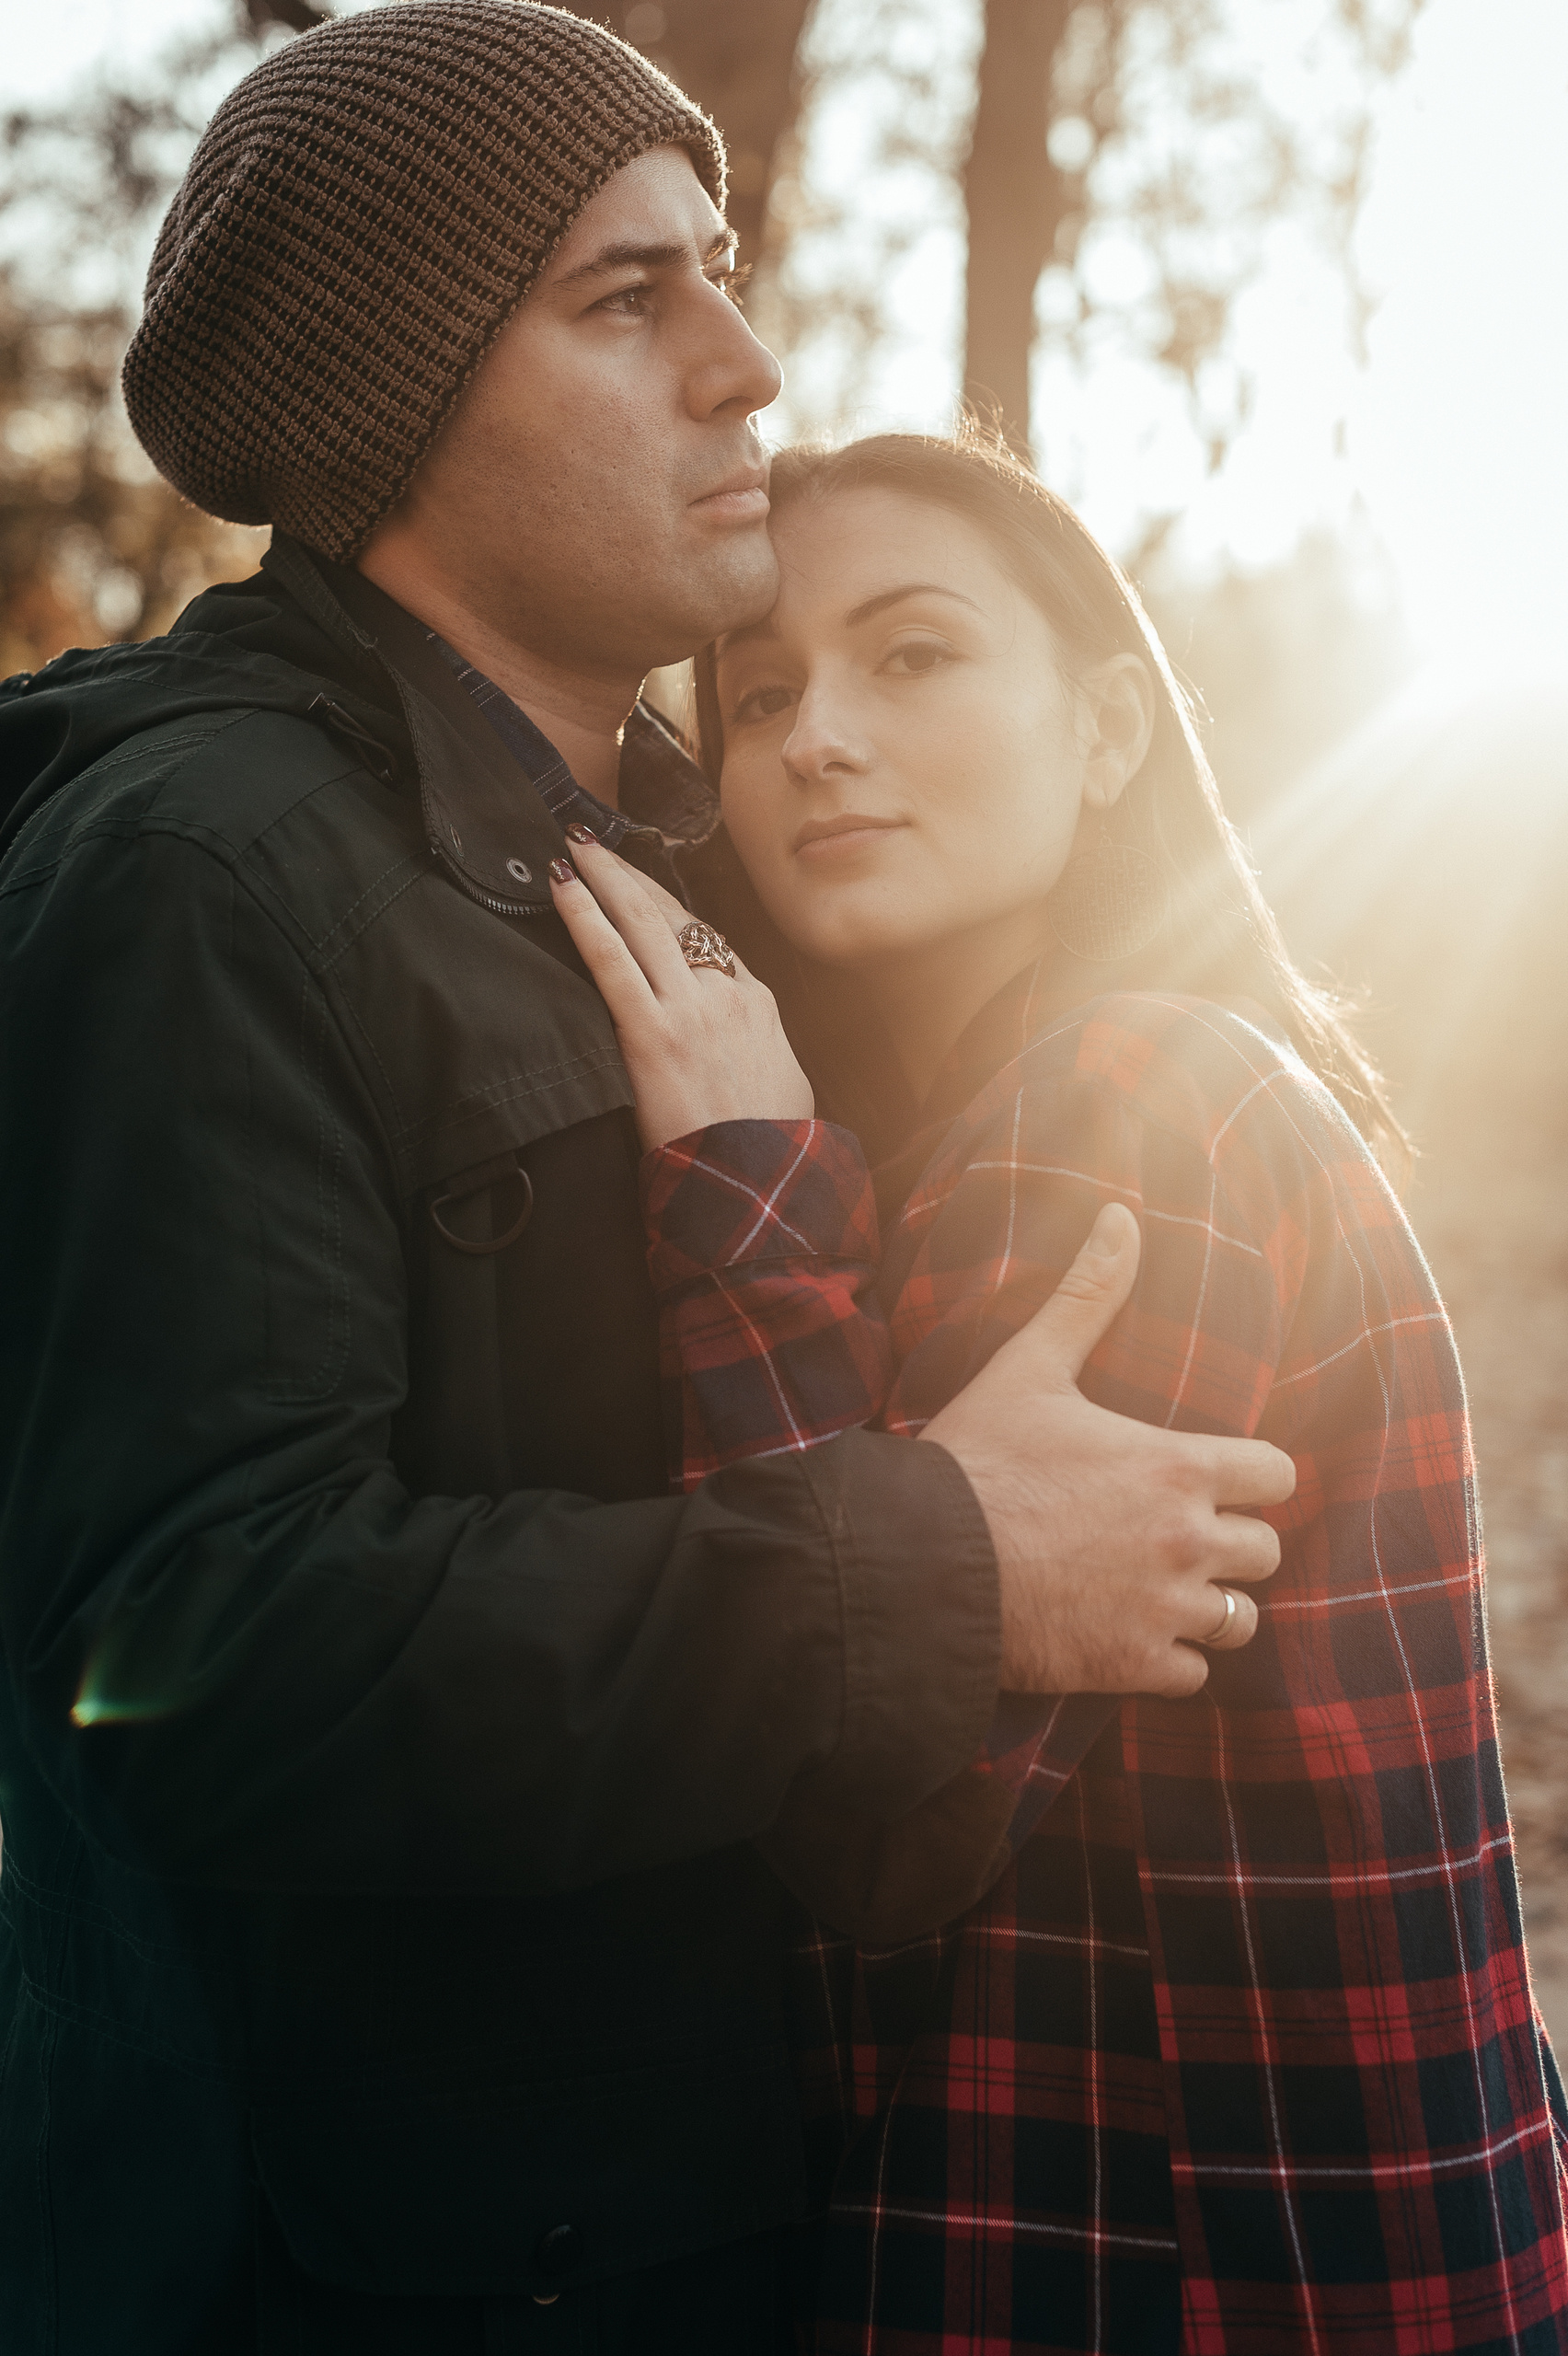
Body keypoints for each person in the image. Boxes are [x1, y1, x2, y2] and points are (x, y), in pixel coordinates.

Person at [0, 11, 1294, 2352]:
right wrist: (948, 1555)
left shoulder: (676, 852)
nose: (749, 365)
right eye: (628, 299)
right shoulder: (206, 872)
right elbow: (198, 1657)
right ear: (391, 397)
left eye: (723, 270)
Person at [548, 427, 1568, 2353]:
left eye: (912, 654)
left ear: (1107, 728)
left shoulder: (1123, 1098)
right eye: (758, 692)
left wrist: (749, 1196)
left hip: (1165, 2270)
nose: (814, 736)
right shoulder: (1067, 1108)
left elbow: (885, 1817)